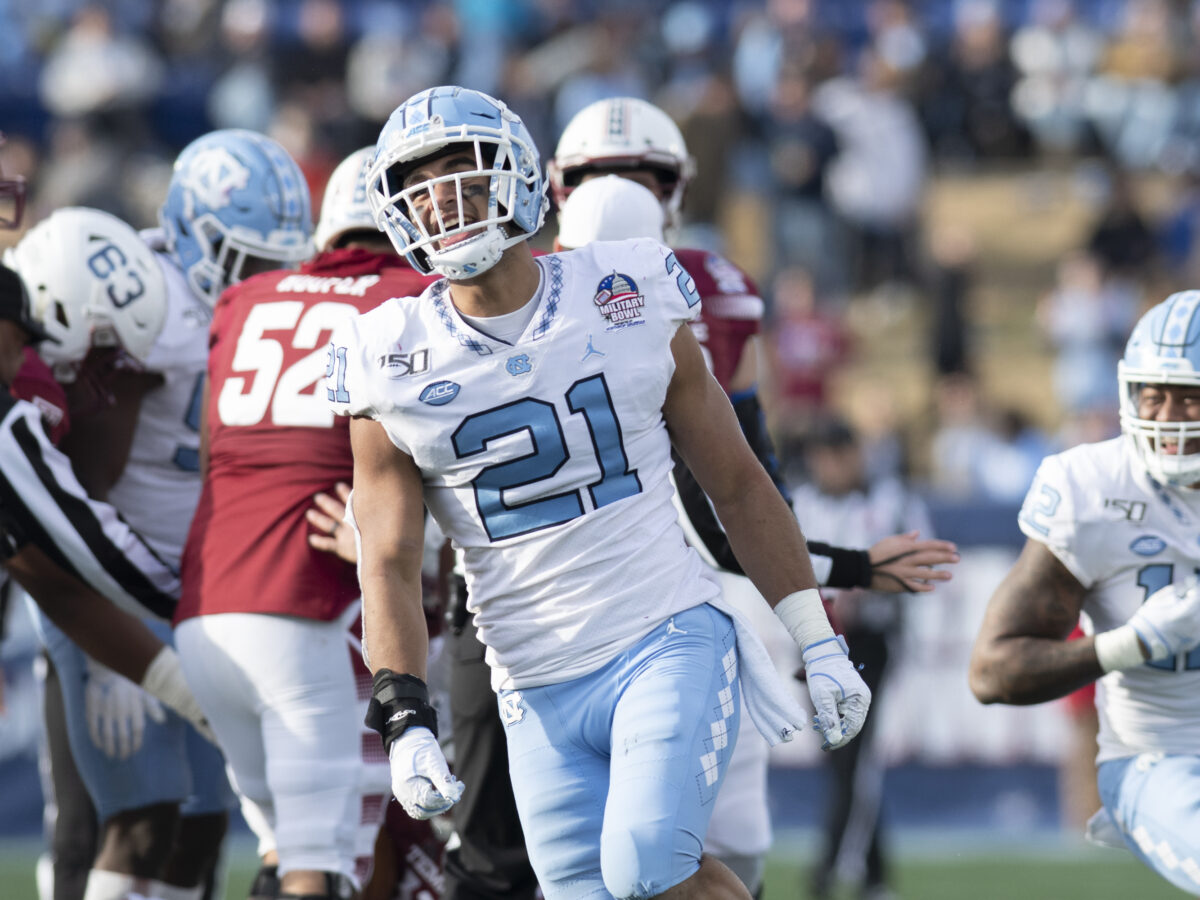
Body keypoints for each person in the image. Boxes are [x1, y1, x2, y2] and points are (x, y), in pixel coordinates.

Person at [331, 84, 870, 900]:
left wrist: (816, 638)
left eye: (463, 179)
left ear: (513, 175)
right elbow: (391, 560)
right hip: (531, 679)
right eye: (423, 191)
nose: (445, 206)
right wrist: (405, 716)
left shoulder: (626, 289)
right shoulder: (387, 354)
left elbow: (735, 479)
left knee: (647, 864)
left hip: (664, 634)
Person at [549, 166, 955, 898]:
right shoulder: (566, 336)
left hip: (655, 631)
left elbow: (730, 501)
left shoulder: (662, 342)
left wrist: (828, 614)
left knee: (676, 858)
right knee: (577, 872)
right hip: (555, 644)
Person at [175, 145, 435, 900]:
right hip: (308, 603)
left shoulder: (242, 299)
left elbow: (211, 459)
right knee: (316, 868)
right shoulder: (412, 297)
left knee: (281, 852)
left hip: (207, 608)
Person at [10, 204, 236, 900]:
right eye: (96, 346)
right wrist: (154, 654)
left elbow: (52, 562)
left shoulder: (41, 372)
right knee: (103, 826)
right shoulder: (14, 408)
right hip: (102, 596)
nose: (102, 371)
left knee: (190, 826)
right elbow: (75, 555)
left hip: (92, 590)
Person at [968, 289, 1200, 895]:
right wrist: (1131, 644)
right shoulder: (1094, 486)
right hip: (1161, 756)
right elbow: (992, 671)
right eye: (1155, 395)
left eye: (1191, 397)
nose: (1169, 419)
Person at [791, 417, 936, 900]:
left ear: (855, 453)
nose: (829, 465)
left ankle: (828, 871)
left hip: (869, 641)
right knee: (840, 761)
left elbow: (922, 567)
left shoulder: (892, 500)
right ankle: (874, 877)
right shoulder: (804, 503)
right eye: (822, 455)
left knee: (855, 759)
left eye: (837, 453)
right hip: (815, 642)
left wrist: (869, 588)